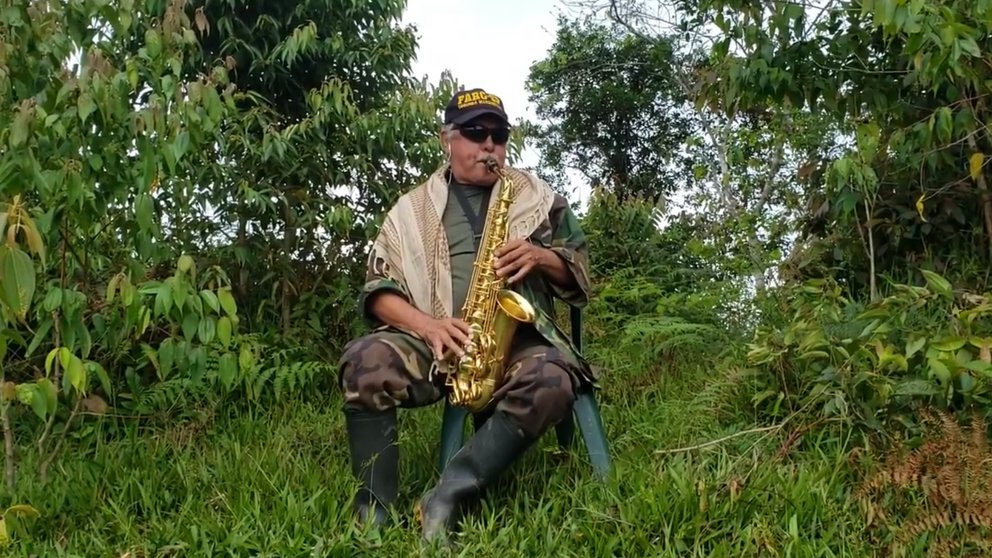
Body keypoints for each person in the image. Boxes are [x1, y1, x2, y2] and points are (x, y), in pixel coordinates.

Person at [337, 87, 597, 542]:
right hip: (435, 338)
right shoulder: (409, 210)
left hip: (520, 340)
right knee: (364, 361)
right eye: (476, 132)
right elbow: (378, 292)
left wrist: (540, 257)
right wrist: (428, 326)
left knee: (554, 380)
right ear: (447, 138)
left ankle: (449, 493)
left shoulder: (539, 198)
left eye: (498, 134)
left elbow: (579, 269)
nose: (489, 145)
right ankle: (373, 515)